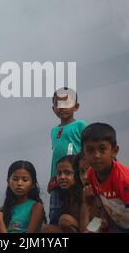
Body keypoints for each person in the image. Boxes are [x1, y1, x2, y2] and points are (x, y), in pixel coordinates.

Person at [48, 87, 86, 226]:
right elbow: (55, 157)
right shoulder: (53, 130)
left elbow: (86, 150)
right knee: (55, 211)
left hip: (75, 176)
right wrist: (53, 177)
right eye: (58, 104)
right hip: (59, 177)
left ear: (76, 106)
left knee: (78, 208)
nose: (62, 107)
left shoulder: (80, 125)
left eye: (67, 103)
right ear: (53, 108)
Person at [0, 160, 45, 233]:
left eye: (25, 180)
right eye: (15, 179)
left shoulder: (36, 207)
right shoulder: (3, 210)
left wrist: (0, 222)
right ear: (8, 182)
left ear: (33, 184)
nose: (19, 183)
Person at [43, 155, 81, 233]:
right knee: (45, 229)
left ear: (78, 173)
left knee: (65, 220)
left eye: (67, 173)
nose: (62, 177)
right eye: (59, 173)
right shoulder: (63, 193)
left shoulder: (84, 193)